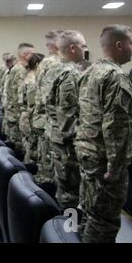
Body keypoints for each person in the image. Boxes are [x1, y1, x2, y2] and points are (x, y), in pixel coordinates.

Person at [76, 24, 132, 243]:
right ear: (119, 45)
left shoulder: (90, 71)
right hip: (104, 161)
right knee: (104, 221)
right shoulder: (117, 76)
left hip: (87, 153)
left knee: (88, 211)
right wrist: (115, 166)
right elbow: (115, 127)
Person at [46, 30, 88, 209]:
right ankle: (68, 231)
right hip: (67, 143)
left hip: (54, 135)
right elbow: (67, 119)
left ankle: (63, 229)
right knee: (70, 194)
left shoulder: (52, 69)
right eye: (83, 46)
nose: (86, 49)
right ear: (72, 48)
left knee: (63, 188)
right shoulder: (70, 73)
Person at [33, 30, 63, 189]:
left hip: (46, 120)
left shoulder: (47, 62)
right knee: (52, 167)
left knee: (47, 162)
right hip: (52, 122)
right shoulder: (53, 63)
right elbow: (49, 97)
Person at [2, 43, 34, 154]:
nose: (33, 57)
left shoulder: (17, 68)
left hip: (13, 113)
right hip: (17, 114)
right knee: (19, 149)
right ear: (25, 55)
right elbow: (21, 96)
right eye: (32, 54)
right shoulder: (21, 70)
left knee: (15, 147)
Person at [19, 53, 44, 165]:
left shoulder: (28, 77)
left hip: (26, 117)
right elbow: (33, 106)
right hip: (30, 120)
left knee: (29, 148)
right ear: (38, 64)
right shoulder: (33, 81)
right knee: (32, 152)